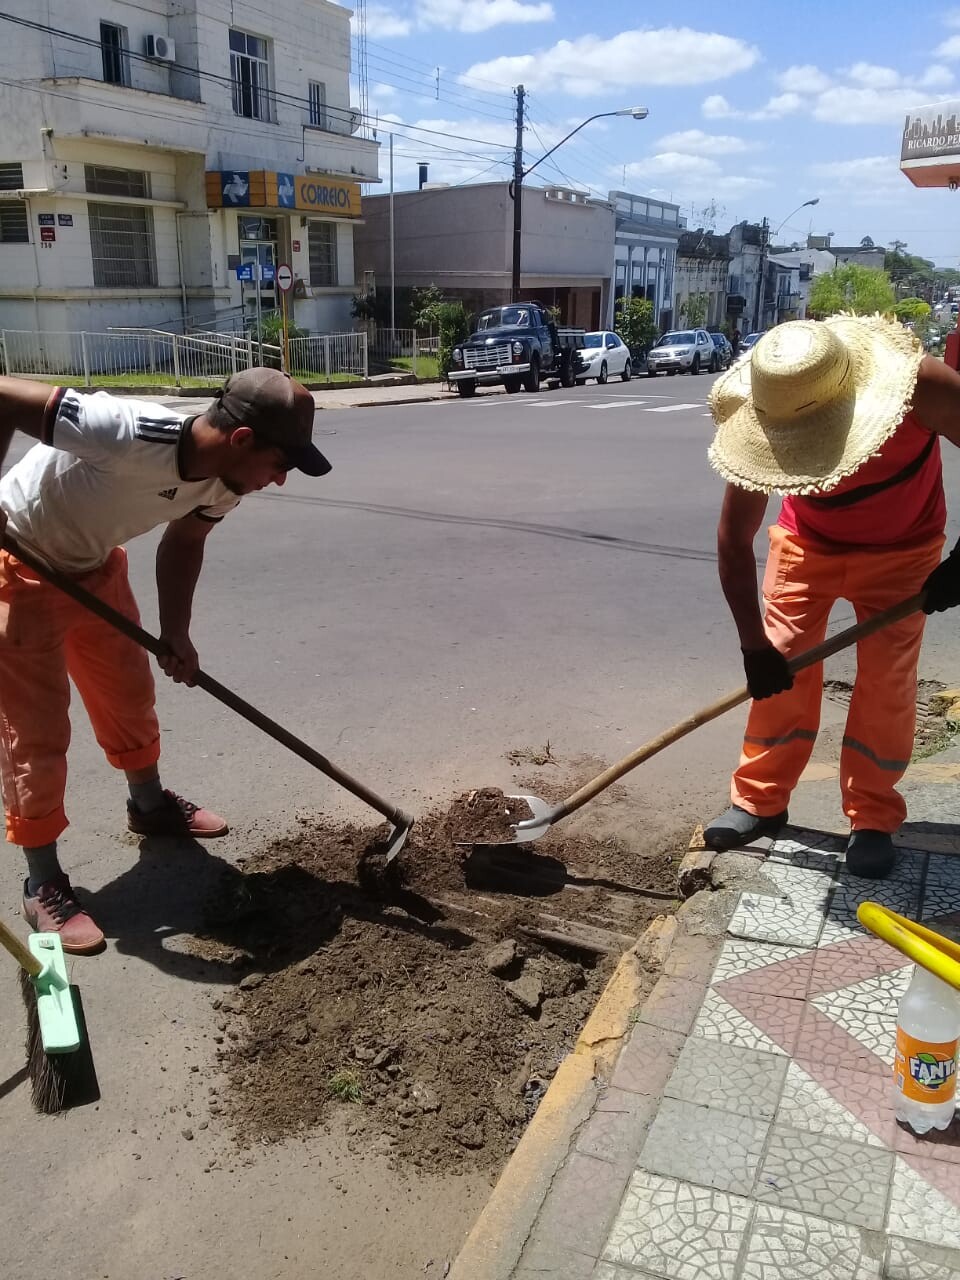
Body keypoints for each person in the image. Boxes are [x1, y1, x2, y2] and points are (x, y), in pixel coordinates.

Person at [0, 367, 330, 952]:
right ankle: (42, 878)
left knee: (129, 696)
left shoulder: (227, 482)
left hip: (93, 568)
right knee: (37, 732)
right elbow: (2, 395)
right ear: (242, 440)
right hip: (21, 567)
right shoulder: (123, 430)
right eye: (280, 463)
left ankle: (148, 805)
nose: (279, 481)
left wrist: (176, 632)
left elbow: (185, 540)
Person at [703, 315, 960, 879]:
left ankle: (872, 815)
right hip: (806, 544)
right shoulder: (769, 409)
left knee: (886, 681)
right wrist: (753, 647)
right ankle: (759, 800)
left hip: (904, 549)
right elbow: (733, 541)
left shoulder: (925, 387)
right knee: (783, 660)